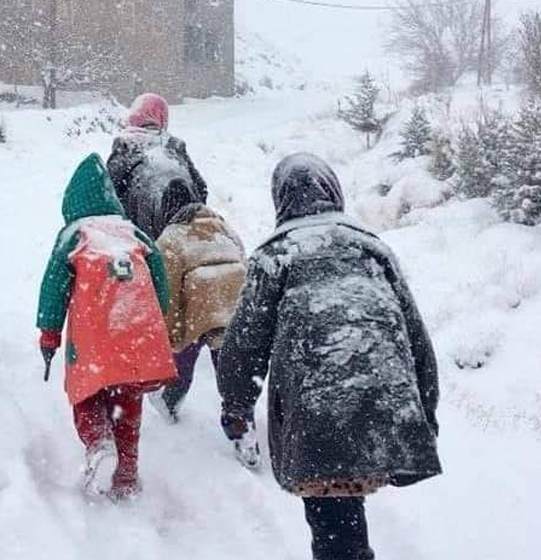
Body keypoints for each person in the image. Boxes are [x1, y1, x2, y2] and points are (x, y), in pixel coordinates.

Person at [217, 153, 442, 560]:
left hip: (319, 408)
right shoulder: (374, 249)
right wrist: (426, 412)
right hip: (386, 400)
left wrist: (236, 406)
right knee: (344, 521)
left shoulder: (275, 257)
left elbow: (244, 345)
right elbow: (416, 338)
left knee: (334, 525)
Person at [36, 154, 176, 501]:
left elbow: (53, 287)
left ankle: (98, 442)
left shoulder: (74, 234)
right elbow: (160, 282)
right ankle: (126, 475)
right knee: (128, 401)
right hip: (138, 329)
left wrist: (49, 334)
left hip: (94, 334)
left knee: (86, 393)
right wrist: (157, 326)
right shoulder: (133, 232)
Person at [146, 181, 258, 469]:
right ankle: (243, 432)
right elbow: (243, 260)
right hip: (235, 307)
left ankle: (171, 400)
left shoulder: (170, 238)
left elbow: (167, 294)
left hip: (199, 310)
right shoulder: (224, 227)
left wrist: (172, 337)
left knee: (182, 359)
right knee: (232, 373)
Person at [106, 93, 208, 240]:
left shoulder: (126, 146)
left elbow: (108, 193)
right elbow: (201, 189)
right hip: (187, 224)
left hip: (143, 227)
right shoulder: (174, 145)